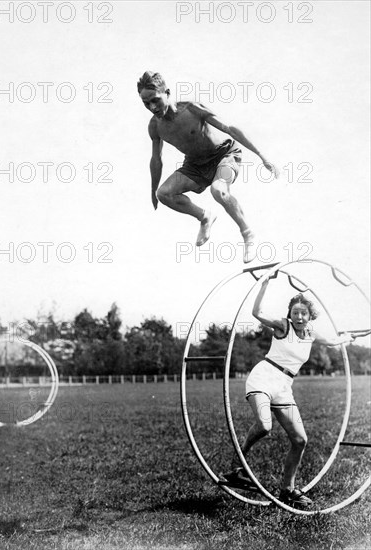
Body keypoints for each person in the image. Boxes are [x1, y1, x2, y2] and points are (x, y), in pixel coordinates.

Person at [219, 276, 359, 507]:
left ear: (310, 315)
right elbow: (257, 312)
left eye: (303, 313)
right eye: (295, 312)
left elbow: (334, 341)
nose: (299, 317)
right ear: (290, 314)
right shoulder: (283, 327)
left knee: (300, 439)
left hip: (284, 386)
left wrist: (348, 337)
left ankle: (288, 490)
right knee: (264, 426)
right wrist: (265, 283)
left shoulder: (312, 334)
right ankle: (237, 467)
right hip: (263, 378)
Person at [137, 71, 279, 263]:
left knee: (218, 190)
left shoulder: (191, 109)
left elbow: (228, 128)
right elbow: (156, 159)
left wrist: (261, 156)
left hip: (224, 154)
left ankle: (248, 234)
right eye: (146, 103)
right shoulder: (155, 127)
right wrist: (153, 190)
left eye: (155, 100)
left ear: (167, 93)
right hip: (195, 164)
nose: (152, 107)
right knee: (164, 194)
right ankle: (205, 217)